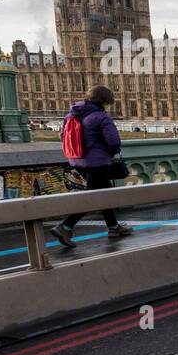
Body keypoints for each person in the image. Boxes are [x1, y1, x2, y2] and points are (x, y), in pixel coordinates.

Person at [49, 85, 134, 247]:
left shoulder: (71, 115)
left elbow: (62, 136)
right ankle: (65, 227)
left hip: (77, 161)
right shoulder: (101, 117)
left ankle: (114, 227)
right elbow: (114, 141)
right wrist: (111, 153)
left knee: (104, 193)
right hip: (98, 163)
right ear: (103, 101)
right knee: (93, 197)